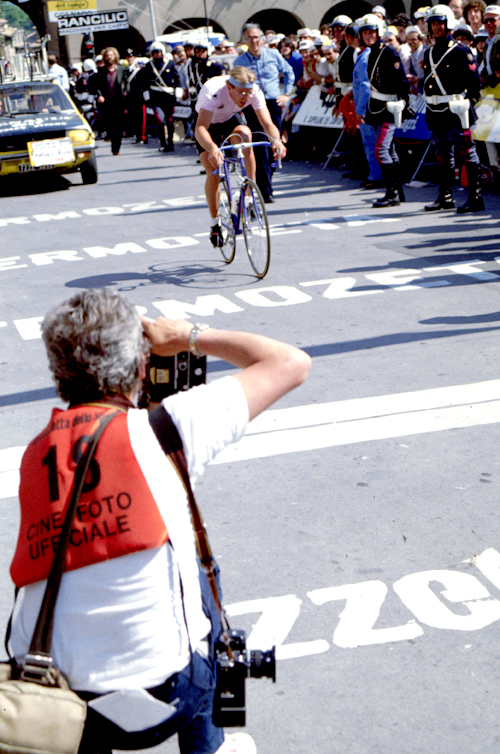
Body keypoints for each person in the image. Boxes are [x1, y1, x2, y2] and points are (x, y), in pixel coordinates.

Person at [8, 288, 311, 754]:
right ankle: (207, 747)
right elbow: (291, 362)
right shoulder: (167, 426)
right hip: (170, 695)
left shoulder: (37, 452)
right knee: (202, 580)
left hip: (58, 703)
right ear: (139, 364)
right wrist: (189, 336)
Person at [194, 66, 286, 247]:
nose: (246, 98)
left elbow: (267, 123)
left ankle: (249, 193)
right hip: (207, 124)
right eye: (242, 93)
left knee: (246, 136)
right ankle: (214, 224)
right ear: (230, 87)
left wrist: (277, 140)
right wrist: (212, 148)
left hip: (229, 119)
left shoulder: (255, 92)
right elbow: (200, 129)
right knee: (213, 169)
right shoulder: (213, 90)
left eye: (249, 93)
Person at [423, 4, 483, 212]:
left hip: (457, 111)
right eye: (433, 24)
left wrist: (467, 104)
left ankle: (476, 197)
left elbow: (475, 85)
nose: (437, 27)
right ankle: (445, 197)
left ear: (448, 24)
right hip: (436, 112)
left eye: (440, 23)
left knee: (467, 152)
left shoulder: (461, 51)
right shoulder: (429, 53)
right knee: (442, 155)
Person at [234, 24, 294, 204]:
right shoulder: (240, 62)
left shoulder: (273, 54)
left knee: (273, 144)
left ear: (262, 39)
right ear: (244, 41)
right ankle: (266, 191)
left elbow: (289, 72)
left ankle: (265, 178)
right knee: (260, 146)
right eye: (250, 38)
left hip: (273, 102)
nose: (254, 41)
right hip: (253, 105)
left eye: (257, 37)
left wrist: (286, 94)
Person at [359, 12, 409, 207]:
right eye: (365, 33)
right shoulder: (371, 52)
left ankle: (392, 193)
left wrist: (403, 103)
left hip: (389, 107)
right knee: (390, 151)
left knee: (381, 149)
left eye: (372, 32)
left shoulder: (389, 52)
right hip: (376, 106)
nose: (368, 36)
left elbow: (402, 80)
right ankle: (398, 191)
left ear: (378, 32)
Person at [139, 42, 180, 152]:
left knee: (170, 121)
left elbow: (176, 80)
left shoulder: (170, 63)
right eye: (154, 52)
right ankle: (163, 143)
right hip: (156, 98)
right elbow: (145, 84)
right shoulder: (148, 66)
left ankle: (170, 143)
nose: (157, 54)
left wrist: (178, 95)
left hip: (168, 98)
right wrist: (147, 98)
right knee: (160, 120)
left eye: (158, 52)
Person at [88, 47, 126, 155]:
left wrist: (126, 92)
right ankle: (110, 136)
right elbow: (97, 86)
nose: (109, 57)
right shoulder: (101, 72)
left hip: (118, 101)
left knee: (118, 126)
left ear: (115, 56)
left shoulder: (121, 69)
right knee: (109, 124)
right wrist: (100, 95)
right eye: (107, 55)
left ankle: (116, 148)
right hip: (106, 102)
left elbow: (126, 82)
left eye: (111, 55)